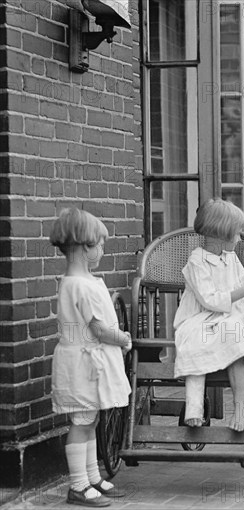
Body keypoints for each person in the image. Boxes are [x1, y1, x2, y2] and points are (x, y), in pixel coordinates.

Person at [49, 208, 132, 508]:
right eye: (100, 244)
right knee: (82, 421)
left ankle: (92, 477)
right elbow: (98, 329)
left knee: (90, 419)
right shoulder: (82, 286)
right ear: (85, 246)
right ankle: (78, 485)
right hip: (84, 364)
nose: (102, 249)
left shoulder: (77, 281)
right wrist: (122, 338)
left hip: (85, 361)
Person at [173, 199, 244, 431]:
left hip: (226, 321)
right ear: (220, 234)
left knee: (235, 338)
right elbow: (210, 299)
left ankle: (240, 407)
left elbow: (235, 284)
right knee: (194, 347)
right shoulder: (197, 261)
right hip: (199, 320)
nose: (239, 239)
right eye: (236, 235)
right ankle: (194, 408)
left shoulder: (230, 257)